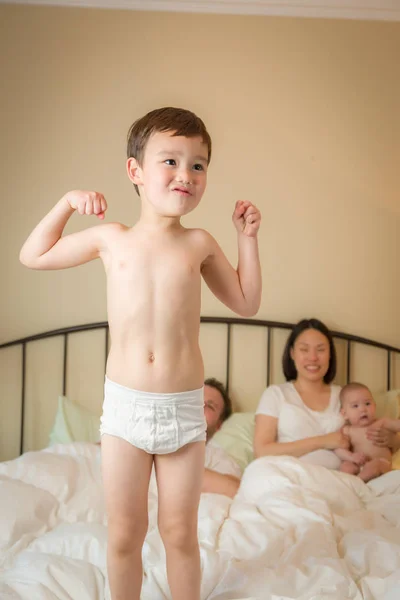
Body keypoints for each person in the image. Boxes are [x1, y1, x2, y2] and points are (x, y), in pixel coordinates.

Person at [19, 107, 261, 600]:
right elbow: (33, 255)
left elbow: (246, 302)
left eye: (198, 165)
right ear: (135, 172)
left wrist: (247, 240)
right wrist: (66, 203)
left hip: (182, 411)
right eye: (169, 161)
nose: (185, 175)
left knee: (179, 533)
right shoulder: (113, 238)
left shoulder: (199, 243)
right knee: (125, 535)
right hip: (126, 410)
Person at [334, 382, 392, 482]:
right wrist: (351, 457)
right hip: (358, 464)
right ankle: (347, 484)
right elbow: (338, 449)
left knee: (376, 465)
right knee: (346, 466)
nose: (363, 409)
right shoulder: (347, 430)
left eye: (367, 404)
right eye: (355, 406)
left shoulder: (381, 423)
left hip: (381, 463)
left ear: (375, 406)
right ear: (344, 414)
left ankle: (358, 482)